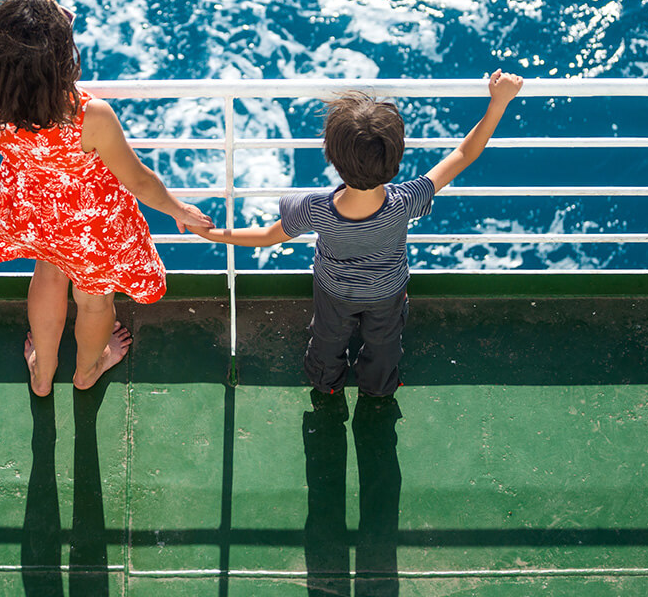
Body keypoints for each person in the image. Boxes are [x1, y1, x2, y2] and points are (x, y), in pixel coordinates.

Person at [0, 0, 212, 395]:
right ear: (60, 57)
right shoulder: (89, 114)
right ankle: (88, 371)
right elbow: (138, 181)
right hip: (92, 222)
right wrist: (180, 210)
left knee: (48, 274)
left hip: (31, 204)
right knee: (94, 301)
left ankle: (42, 374)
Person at [190, 70, 524, 396]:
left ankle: (327, 383)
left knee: (327, 339)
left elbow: (266, 236)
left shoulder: (313, 208)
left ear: (333, 158)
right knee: (384, 343)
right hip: (388, 292)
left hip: (333, 292)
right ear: (395, 157)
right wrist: (499, 103)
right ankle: (378, 387)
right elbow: (465, 153)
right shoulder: (408, 200)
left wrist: (213, 233)